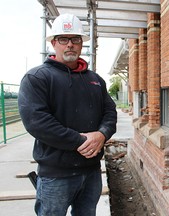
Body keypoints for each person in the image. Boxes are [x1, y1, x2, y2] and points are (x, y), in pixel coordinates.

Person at [18, 13, 117, 216]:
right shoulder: (38, 78)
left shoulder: (95, 80)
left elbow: (110, 112)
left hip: (91, 172)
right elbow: (37, 122)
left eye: (75, 39)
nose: (70, 44)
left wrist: (102, 134)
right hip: (56, 175)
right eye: (64, 39)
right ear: (54, 43)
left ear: (82, 44)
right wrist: (80, 141)